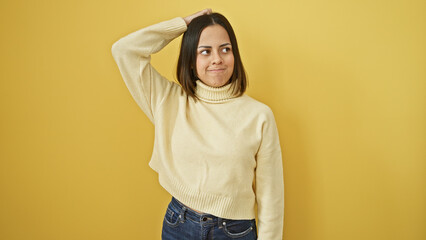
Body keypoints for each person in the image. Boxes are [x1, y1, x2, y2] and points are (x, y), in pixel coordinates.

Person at [111, 8, 284, 240]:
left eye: (226, 49)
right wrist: (182, 25)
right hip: (179, 225)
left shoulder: (260, 116)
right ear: (191, 60)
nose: (217, 59)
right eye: (205, 51)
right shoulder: (169, 101)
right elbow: (124, 50)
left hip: (235, 232)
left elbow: (271, 197)